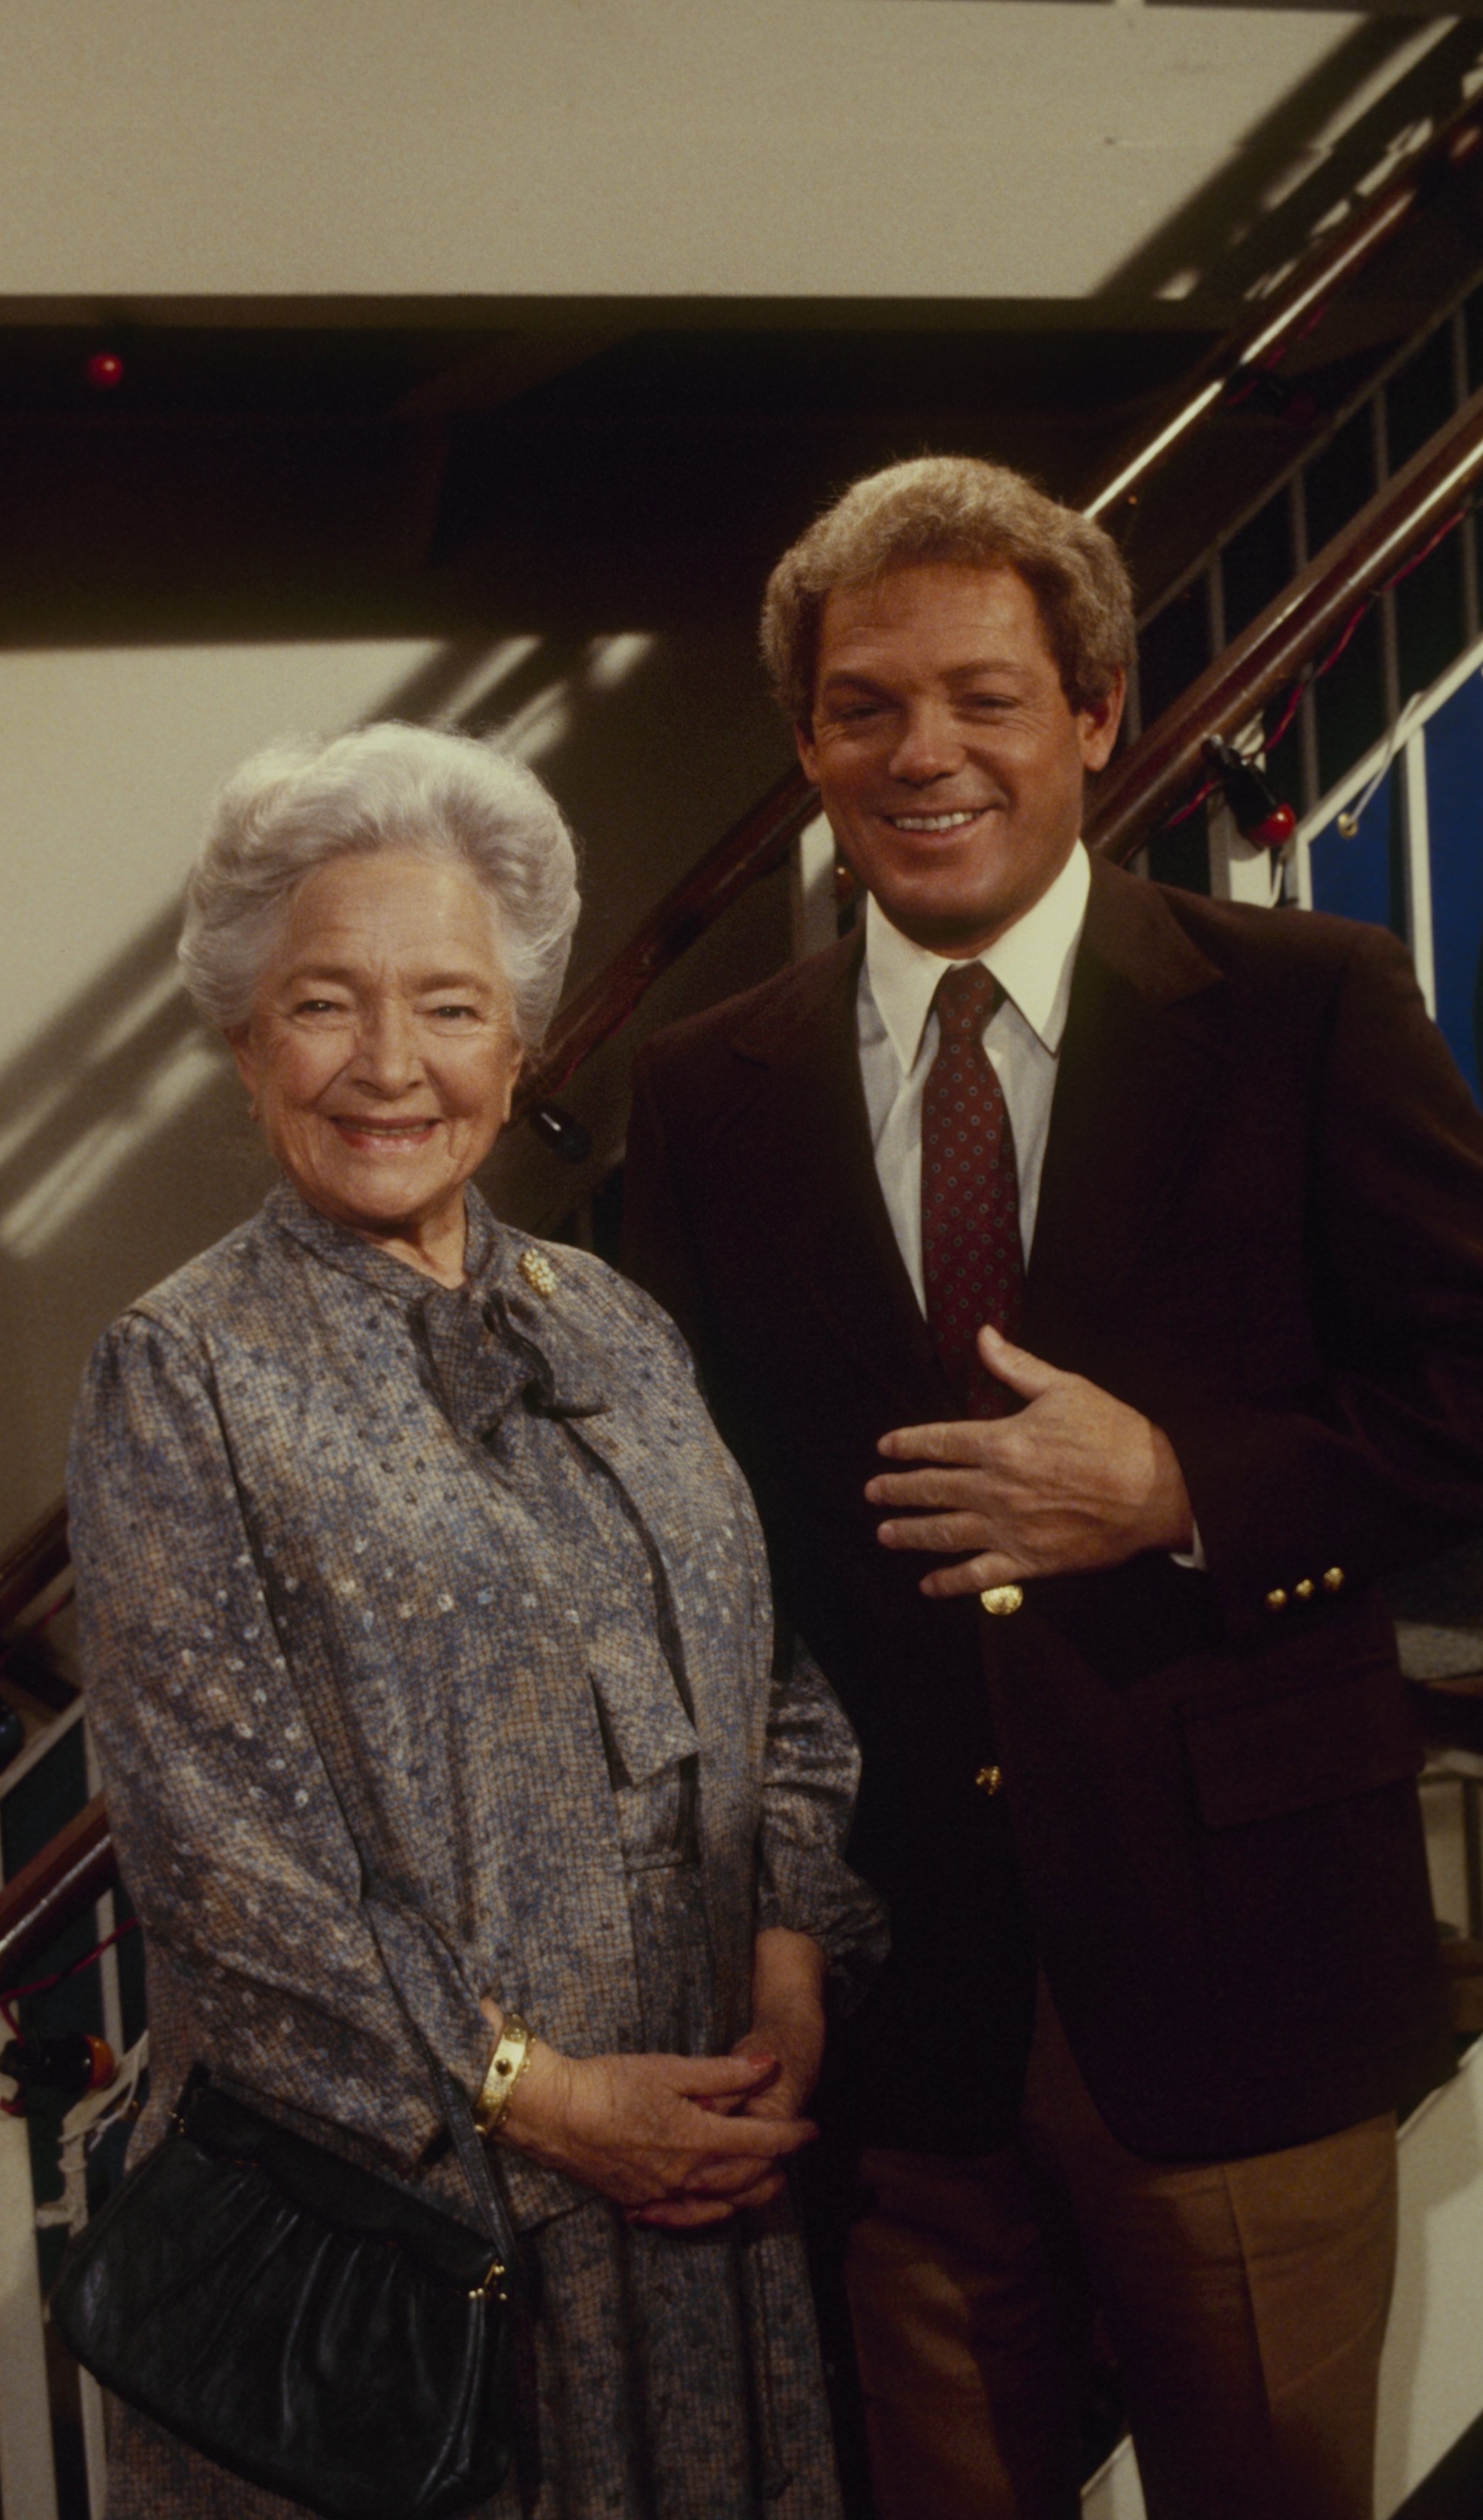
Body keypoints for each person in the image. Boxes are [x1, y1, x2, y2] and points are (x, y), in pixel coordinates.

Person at [622, 455, 1483, 2520]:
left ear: (1091, 713)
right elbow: (698, 1557)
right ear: (808, 741)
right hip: (895, 2032)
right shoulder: (701, 1091)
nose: (922, 754)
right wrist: (767, 1922)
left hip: (1239, 1990)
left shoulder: (1301, 1012)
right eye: (861, 707)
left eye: (982, 696)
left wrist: (1188, 1481)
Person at [66, 720, 886, 2520]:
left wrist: (789, 1956)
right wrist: (542, 2098)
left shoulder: (612, 1320)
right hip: (420, 2227)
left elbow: (777, 1683)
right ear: (239, 1036)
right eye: (321, 1006)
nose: (387, 1067)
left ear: (518, 1047)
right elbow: (221, 1877)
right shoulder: (182, 1374)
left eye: (446, 1007)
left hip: (696, 2169)